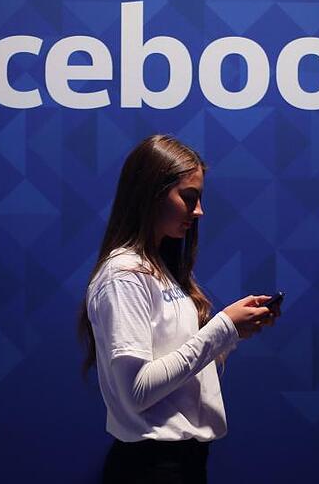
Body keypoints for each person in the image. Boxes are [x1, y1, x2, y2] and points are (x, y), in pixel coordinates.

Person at [76, 134, 281, 483]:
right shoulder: (124, 275)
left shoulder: (161, 271)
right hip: (151, 468)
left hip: (183, 464)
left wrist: (233, 332)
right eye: (188, 197)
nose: (199, 211)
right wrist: (222, 328)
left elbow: (176, 366)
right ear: (151, 193)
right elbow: (138, 391)